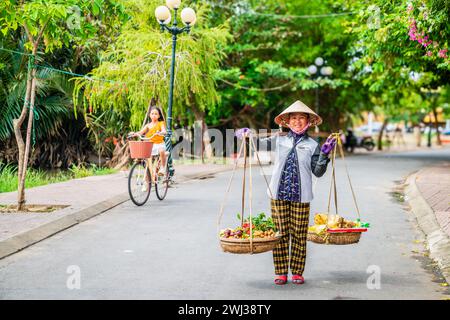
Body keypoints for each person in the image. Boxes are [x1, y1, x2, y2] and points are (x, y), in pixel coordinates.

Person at [267, 100, 336, 285]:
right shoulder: (277, 140)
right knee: (280, 233)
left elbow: (318, 172)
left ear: (308, 122)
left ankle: (297, 271)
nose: (297, 121)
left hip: (302, 195)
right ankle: (281, 271)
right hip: (277, 194)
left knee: (299, 233)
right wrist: (246, 136)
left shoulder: (313, 145)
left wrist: (324, 155)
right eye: (294, 118)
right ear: (287, 121)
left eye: (301, 118)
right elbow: (255, 146)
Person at [130, 106, 168, 176]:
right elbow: (140, 132)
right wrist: (134, 134)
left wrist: (162, 132)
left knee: (161, 150)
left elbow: (164, 130)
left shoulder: (161, 123)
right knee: (146, 158)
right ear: (149, 115)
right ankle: (148, 181)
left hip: (159, 143)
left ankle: (163, 167)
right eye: (152, 113)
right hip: (151, 145)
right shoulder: (148, 125)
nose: (154, 115)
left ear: (159, 116)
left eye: (156, 114)